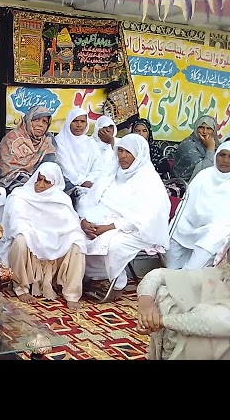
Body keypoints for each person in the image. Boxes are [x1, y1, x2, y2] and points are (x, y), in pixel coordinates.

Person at [76, 134, 171, 300]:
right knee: (77, 235)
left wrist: (107, 228)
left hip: (141, 230)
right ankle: (86, 276)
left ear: (139, 154)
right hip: (106, 222)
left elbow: (144, 218)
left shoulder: (148, 180)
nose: (122, 156)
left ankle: (119, 283)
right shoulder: (113, 173)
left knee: (113, 244)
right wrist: (86, 221)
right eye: (120, 150)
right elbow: (91, 199)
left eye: (128, 152)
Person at [0, 163, 86, 310]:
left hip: (55, 240)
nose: (40, 185)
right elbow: (16, 224)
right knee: (20, 240)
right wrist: (37, 236)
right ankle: (21, 288)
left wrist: (54, 237)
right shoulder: (20, 195)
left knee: (78, 243)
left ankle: (72, 294)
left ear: (55, 183)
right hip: (31, 238)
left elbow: (72, 226)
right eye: (39, 179)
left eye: (46, 181)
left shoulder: (62, 200)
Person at [136, 258, 230, 360]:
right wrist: (146, 303)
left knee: (209, 336)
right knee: (166, 293)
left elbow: (219, 320)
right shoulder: (222, 275)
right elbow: (157, 275)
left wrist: (160, 321)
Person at [163, 141, 230, 270]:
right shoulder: (204, 175)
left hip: (216, 229)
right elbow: (186, 204)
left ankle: (186, 278)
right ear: (216, 155)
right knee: (177, 229)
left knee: (211, 239)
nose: (225, 160)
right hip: (192, 222)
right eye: (222, 155)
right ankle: (173, 274)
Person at [0, 105, 59, 194]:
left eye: (45, 122)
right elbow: (5, 169)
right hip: (12, 183)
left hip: (41, 184)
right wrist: (28, 182)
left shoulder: (47, 142)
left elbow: (51, 168)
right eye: (36, 119)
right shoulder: (12, 138)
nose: (40, 124)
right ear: (28, 120)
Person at [54, 107, 104, 199]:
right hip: (66, 186)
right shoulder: (59, 141)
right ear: (69, 122)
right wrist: (82, 182)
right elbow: (65, 167)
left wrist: (90, 180)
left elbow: (98, 166)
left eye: (82, 121)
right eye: (75, 121)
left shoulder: (90, 142)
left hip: (89, 186)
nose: (79, 125)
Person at [171, 114, 220, 183]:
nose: (204, 132)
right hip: (186, 184)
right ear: (196, 128)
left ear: (214, 131)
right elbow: (203, 172)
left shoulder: (217, 145)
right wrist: (210, 148)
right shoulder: (188, 145)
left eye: (208, 128)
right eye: (201, 127)